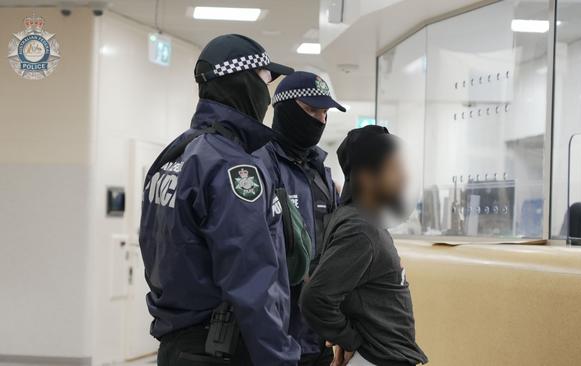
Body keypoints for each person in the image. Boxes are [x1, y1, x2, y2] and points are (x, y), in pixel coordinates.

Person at [139, 34, 300, 366]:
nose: (267, 97)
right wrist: (281, 359)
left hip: (177, 345)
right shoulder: (233, 167)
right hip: (222, 348)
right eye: (264, 81)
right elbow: (251, 283)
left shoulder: (176, 154)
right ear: (242, 82)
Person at [300, 126, 428, 366]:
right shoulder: (361, 229)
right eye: (395, 168)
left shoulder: (362, 221)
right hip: (378, 358)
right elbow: (316, 298)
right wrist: (350, 340)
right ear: (367, 177)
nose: (405, 177)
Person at [254, 71, 345, 365]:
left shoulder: (322, 174)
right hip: (275, 340)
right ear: (284, 109)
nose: (319, 119)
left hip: (317, 337)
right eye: (310, 109)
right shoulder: (259, 165)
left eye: (324, 112)